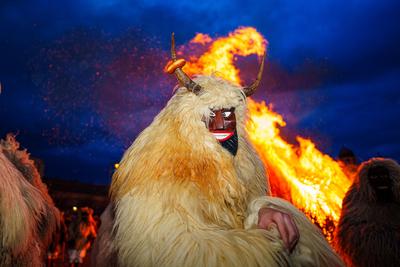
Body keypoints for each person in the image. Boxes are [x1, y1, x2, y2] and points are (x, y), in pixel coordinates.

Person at [91, 34, 343, 267]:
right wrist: (266, 245)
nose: (224, 125)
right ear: (188, 120)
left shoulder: (245, 166)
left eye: (230, 115)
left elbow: (245, 208)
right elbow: (176, 253)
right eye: (213, 115)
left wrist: (261, 211)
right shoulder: (154, 177)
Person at [335, 158, 400, 267]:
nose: (380, 180)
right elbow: (350, 236)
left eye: (384, 176)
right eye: (374, 177)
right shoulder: (356, 201)